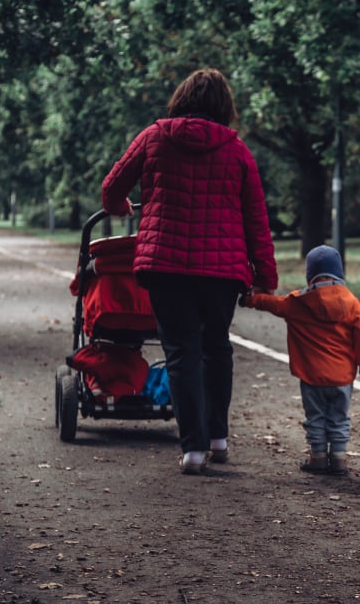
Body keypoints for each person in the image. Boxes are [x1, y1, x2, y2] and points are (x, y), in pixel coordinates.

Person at [101, 68, 278, 475]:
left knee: (181, 352)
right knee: (216, 347)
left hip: (165, 265)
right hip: (222, 271)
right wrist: (265, 276)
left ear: (181, 98)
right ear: (224, 106)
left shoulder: (154, 137)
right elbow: (256, 219)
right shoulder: (238, 151)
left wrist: (120, 207)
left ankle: (193, 450)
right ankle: (218, 438)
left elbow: (112, 188)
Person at [240, 245, 360, 475]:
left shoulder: (296, 303)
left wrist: (249, 300)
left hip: (311, 376)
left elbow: (271, 304)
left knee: (315, 417)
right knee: (339, 417)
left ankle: (318, 457)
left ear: (309, 274)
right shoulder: (351, 302)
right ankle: (340, 458)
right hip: (341, 378)